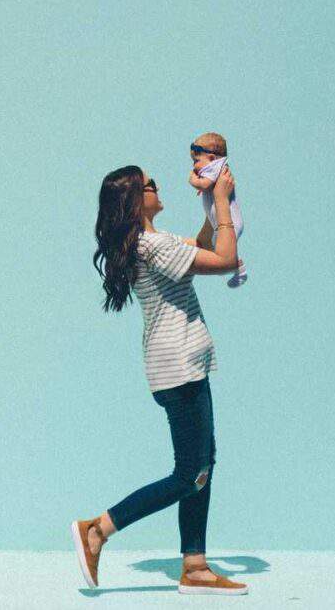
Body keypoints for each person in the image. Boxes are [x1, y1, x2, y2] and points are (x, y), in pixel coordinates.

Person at [71, 164, 249, 596]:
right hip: (180, 366)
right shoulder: (152, 247)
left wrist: (210, 200)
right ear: (135, 200)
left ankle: (195, 566)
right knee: (190, 473)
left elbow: (204, 244)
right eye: (150, 185)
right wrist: (224, 204)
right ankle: (98, 529)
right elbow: (225, 259)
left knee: (202, 465)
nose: (158, 187)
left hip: (180, 363)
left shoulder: (155, 243)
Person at [187, 132, 248, 288]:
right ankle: (237, 266)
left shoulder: (217, 167)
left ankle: (238, 267)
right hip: (220, 223)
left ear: (212, 158)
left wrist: (193, 180)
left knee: (219, 258)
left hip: (230, 222)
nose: (194, 166)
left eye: (196, 161)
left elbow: (205, 184)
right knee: (216, 257)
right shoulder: (215, 168)